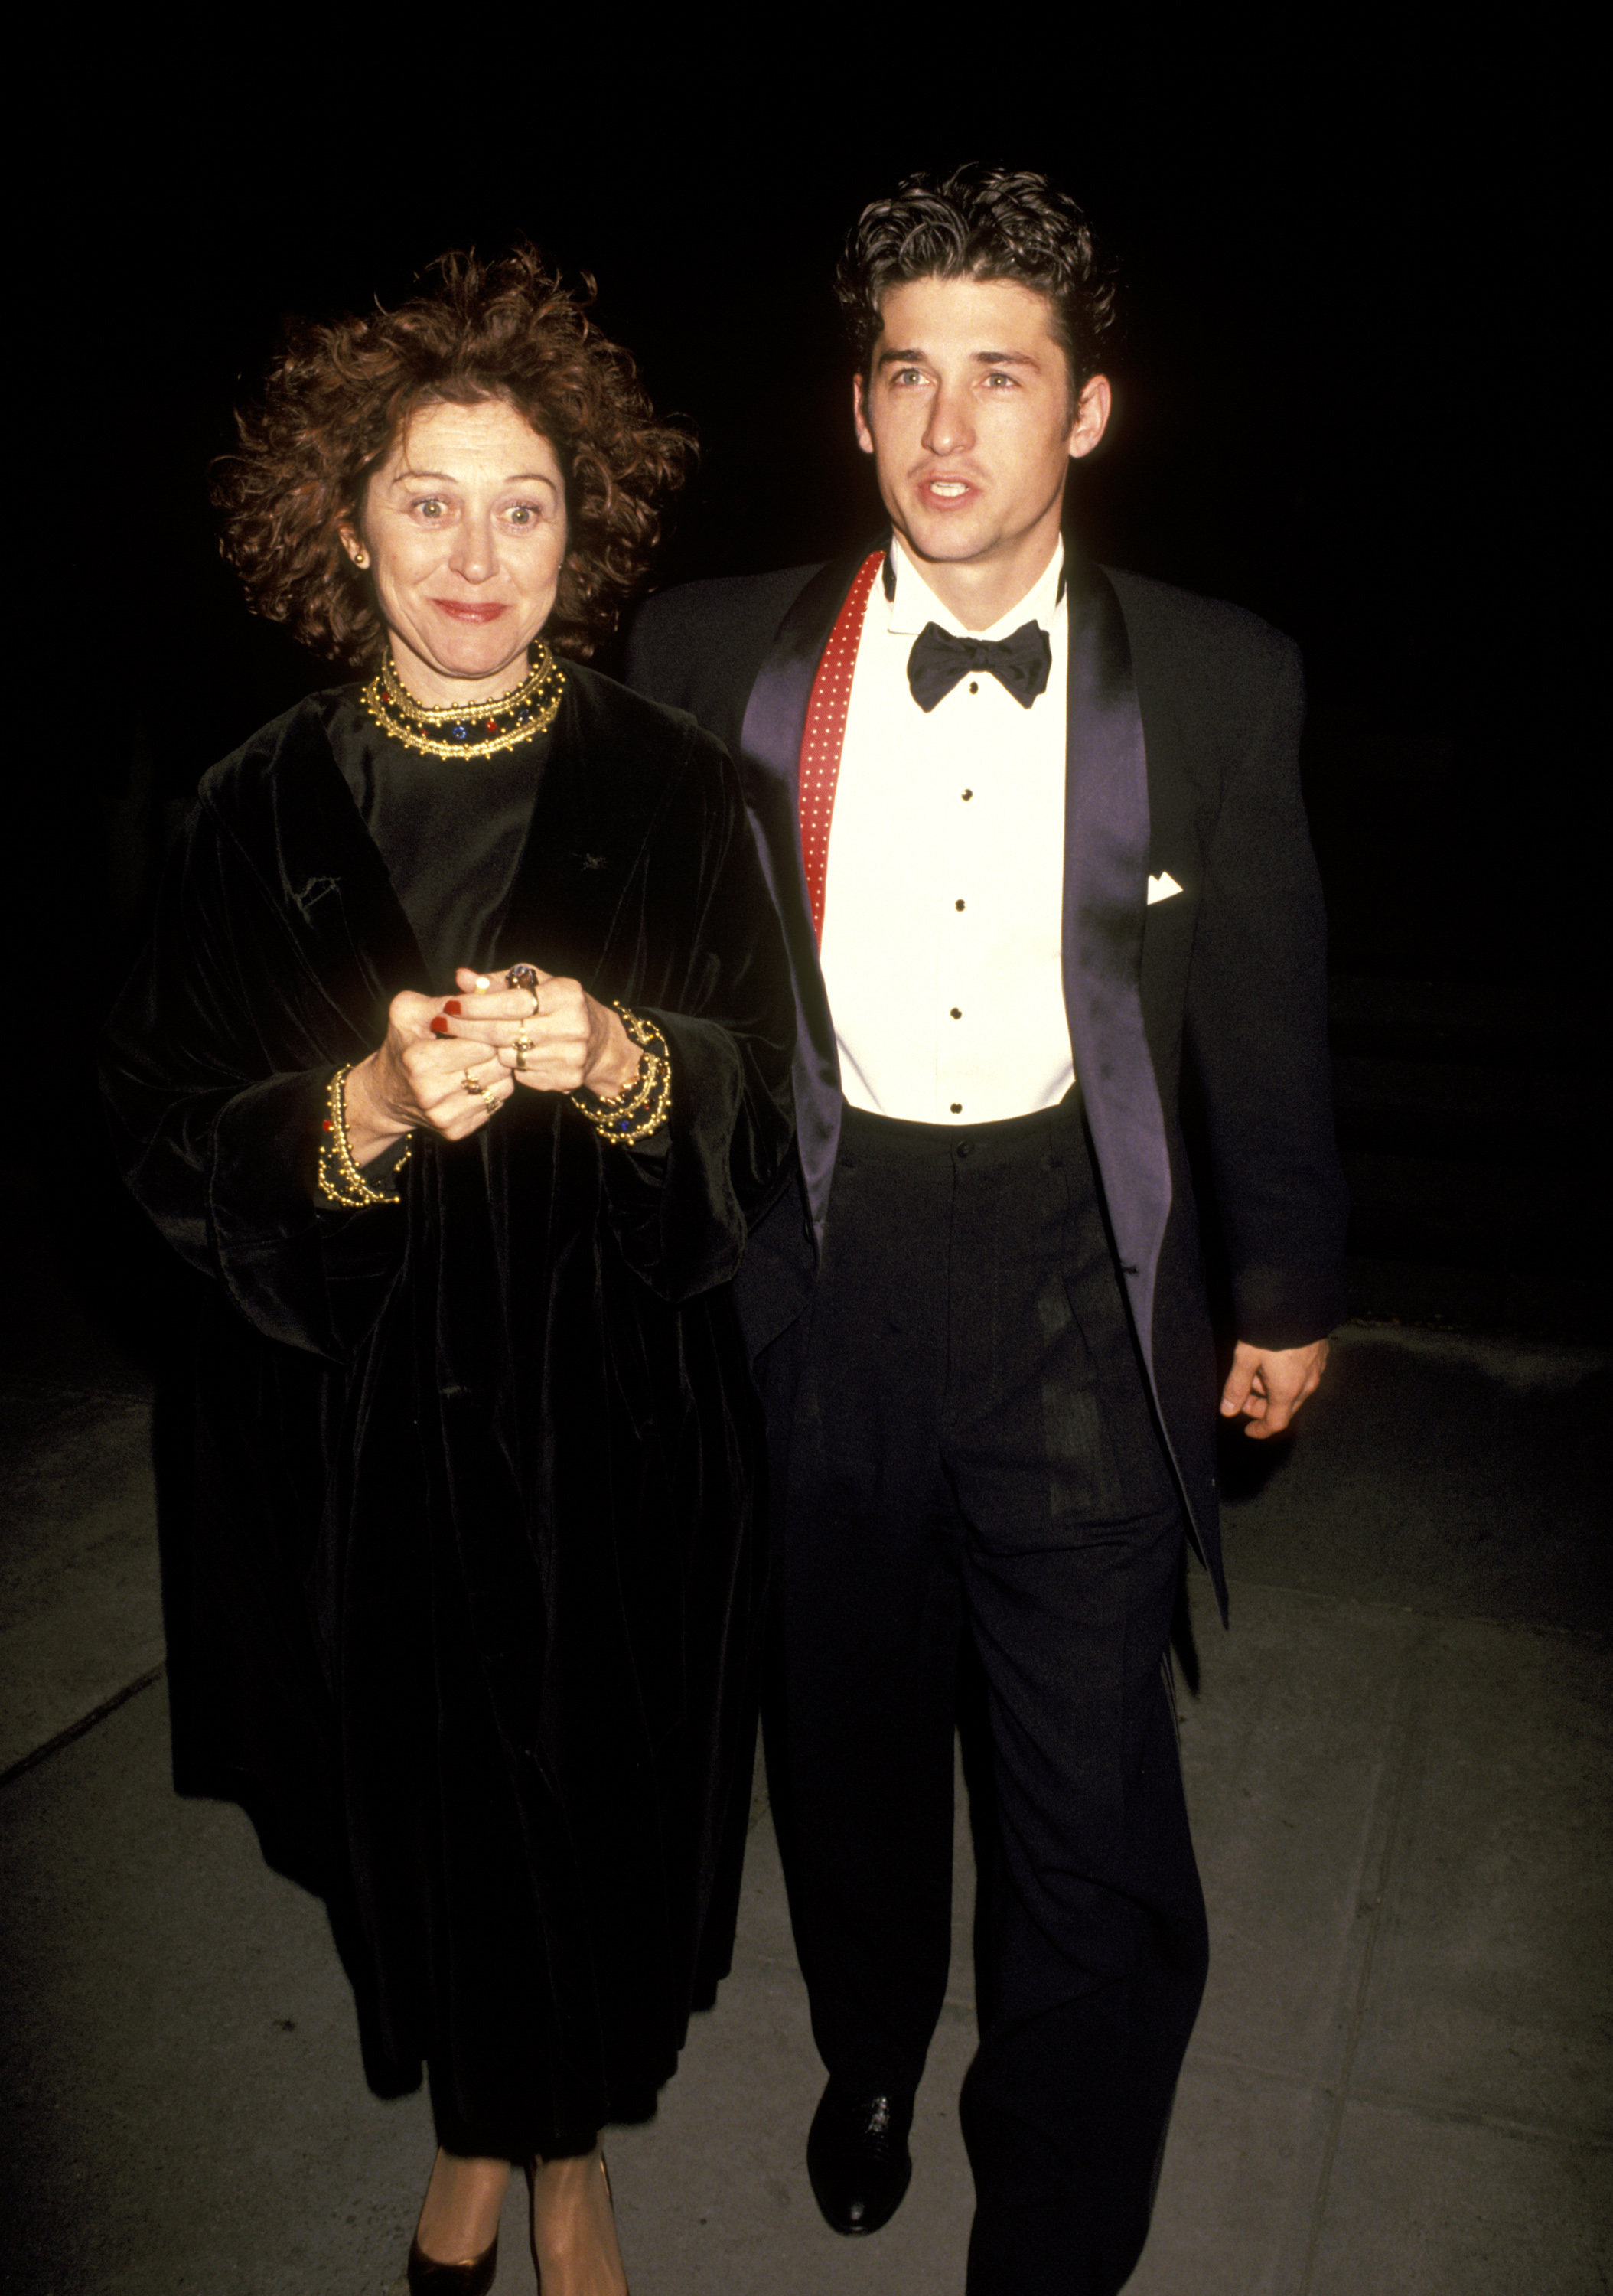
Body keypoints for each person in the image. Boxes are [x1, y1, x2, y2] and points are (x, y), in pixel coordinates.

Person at [624, 166, 1347, 2295]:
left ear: (1086, 413)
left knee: (1082, 1812)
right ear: (855, 409)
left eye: (1001, 380)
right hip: (816, 1288)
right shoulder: (708, 655)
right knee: (841, 1746)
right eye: (908, 378)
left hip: (1074, 1288)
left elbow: (1264, 996)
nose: (951, 431)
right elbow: (648, 971)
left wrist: (1290, 1281)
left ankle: (1047, 2223)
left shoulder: (1214, 677)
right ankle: (865, 2051)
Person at [102, 248, 794, 2296]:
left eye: (523, 505)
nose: (475, 554)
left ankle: (542, 2165)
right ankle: (502, 2136)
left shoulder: (686, 799)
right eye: (427, 500)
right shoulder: (246, 814)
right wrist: (358, 1120)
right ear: (345, 522)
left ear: (585, 531)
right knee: (419, 1831)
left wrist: (635, 1065)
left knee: (586, 1816)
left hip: (625, 1449)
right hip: (352, 1452)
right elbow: (149, 1126)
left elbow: (777, 1122)